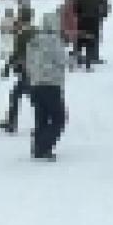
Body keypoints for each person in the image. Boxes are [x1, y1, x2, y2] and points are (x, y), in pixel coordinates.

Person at [25, 12, 69, 161]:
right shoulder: (54, 41)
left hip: (36, 84)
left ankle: (37, 147)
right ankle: (45, 146)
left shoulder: (34, 40)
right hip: (51, 84)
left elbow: (28, 62)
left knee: (41, 118)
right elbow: (62, 61)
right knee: (59, 118)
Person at [0, 7, 35, 133]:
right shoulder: (34, 31)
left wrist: (8, 66)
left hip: (26, 69)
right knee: (20, 94)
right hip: (32, 69)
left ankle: (13, 123)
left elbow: (18, 53)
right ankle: (12, 122)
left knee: (26, 95)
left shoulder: (23, 33)